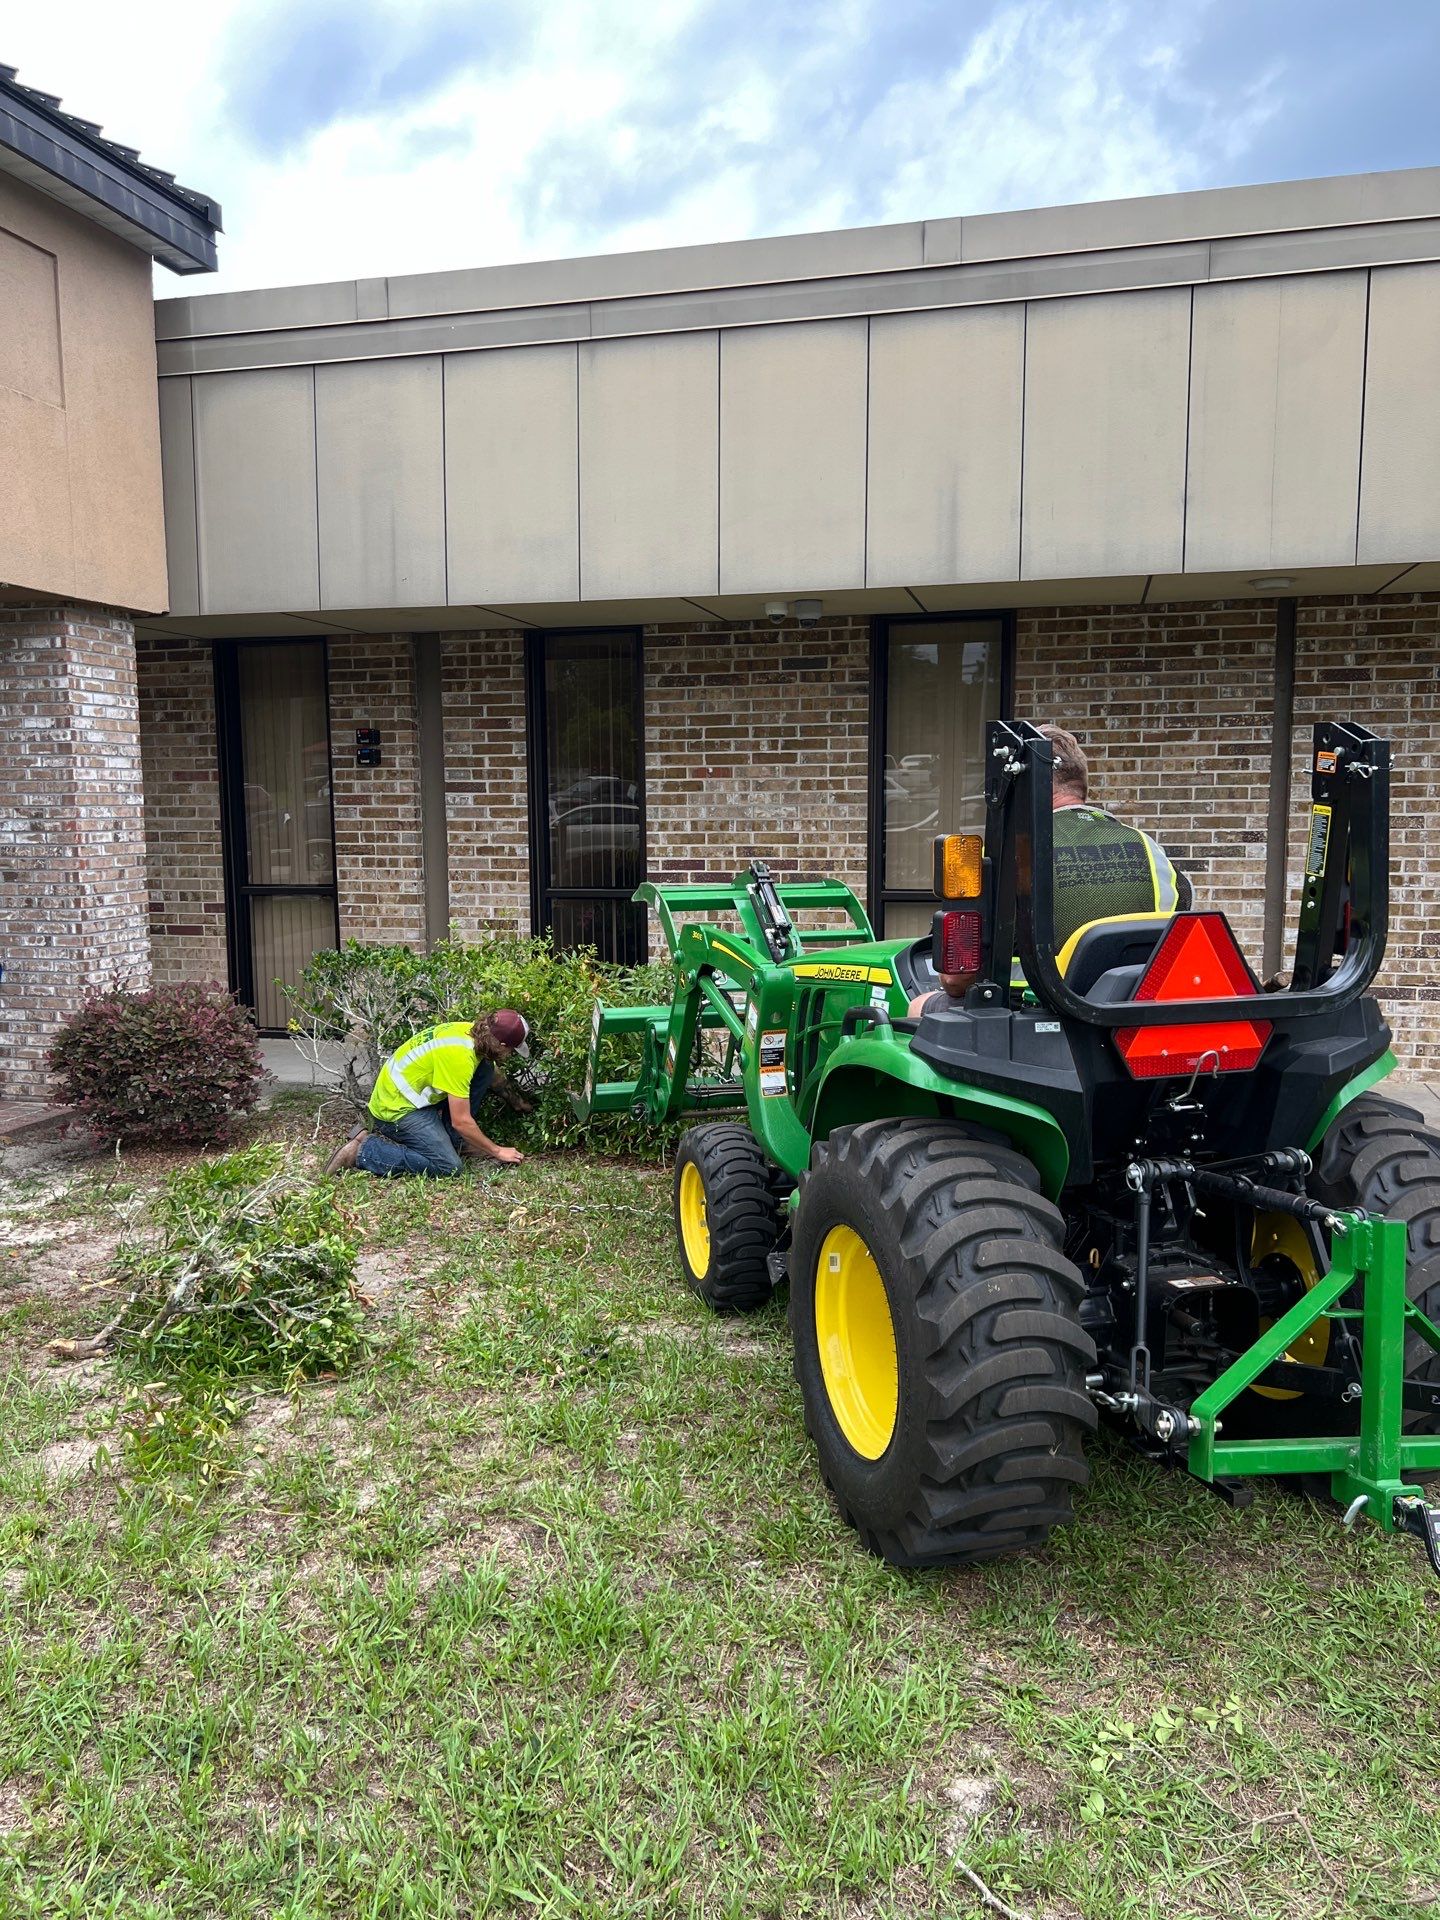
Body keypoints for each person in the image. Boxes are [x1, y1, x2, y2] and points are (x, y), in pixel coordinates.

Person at [908, 722, 1188, 1016]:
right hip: (1133, 1005)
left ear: (1026, 787)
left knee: (917, 1007)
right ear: (1082, 784)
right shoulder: (1148, 847)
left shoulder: (1003, 855)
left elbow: (956, 979)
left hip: (1040, 1009)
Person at [325, 1009, 533, 1176]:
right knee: (449, 1166)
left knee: (485, 1069)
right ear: (502, 1045)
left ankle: (455, 1141)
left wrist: (516, 1100)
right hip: (396, 1111)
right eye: (510, 1051)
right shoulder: (460, 1058)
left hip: (406, 1095)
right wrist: (497, 1150)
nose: (509, 1055)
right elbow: (461, 1121)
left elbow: (492, 1074)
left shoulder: (468, 1032)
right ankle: (363, 1151)